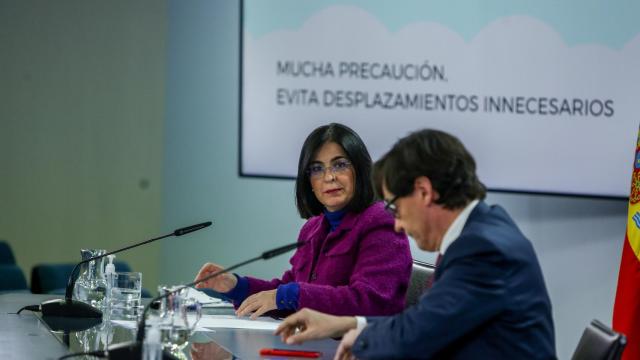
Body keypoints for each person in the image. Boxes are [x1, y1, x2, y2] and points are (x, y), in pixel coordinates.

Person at [276, 129, 557, 359]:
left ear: (423, 192)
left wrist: (359, 335)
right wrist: (348, 324)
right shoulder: (482, 229)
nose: (397, 224)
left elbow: (421, 333)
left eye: (396, 207)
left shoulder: (484, 250)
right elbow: (426, 321)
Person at [195, 123, 412, 319]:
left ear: (361, 170)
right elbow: (288, 294)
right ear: (308, 181)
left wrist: (290, 294)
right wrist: (236, 286)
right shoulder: (313, 228)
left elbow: (371, 302)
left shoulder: (381, 222)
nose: (329, 177)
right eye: (317, 169)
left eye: (340, 165)